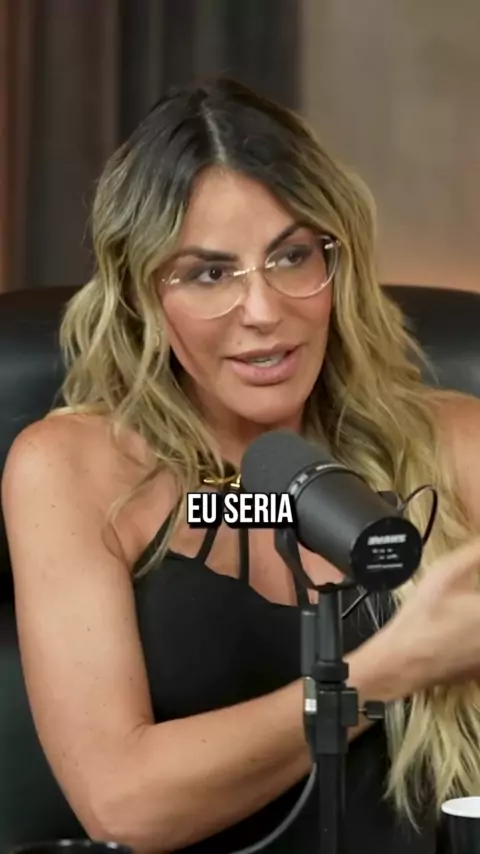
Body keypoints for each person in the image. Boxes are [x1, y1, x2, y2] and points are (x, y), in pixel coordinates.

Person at [2, 77, 480, 854]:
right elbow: (124, 804)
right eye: (208, 273)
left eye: (292, 257)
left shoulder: (454, 442)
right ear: (142, 295)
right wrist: (386, 671)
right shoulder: (74, 470)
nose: (263, 312)